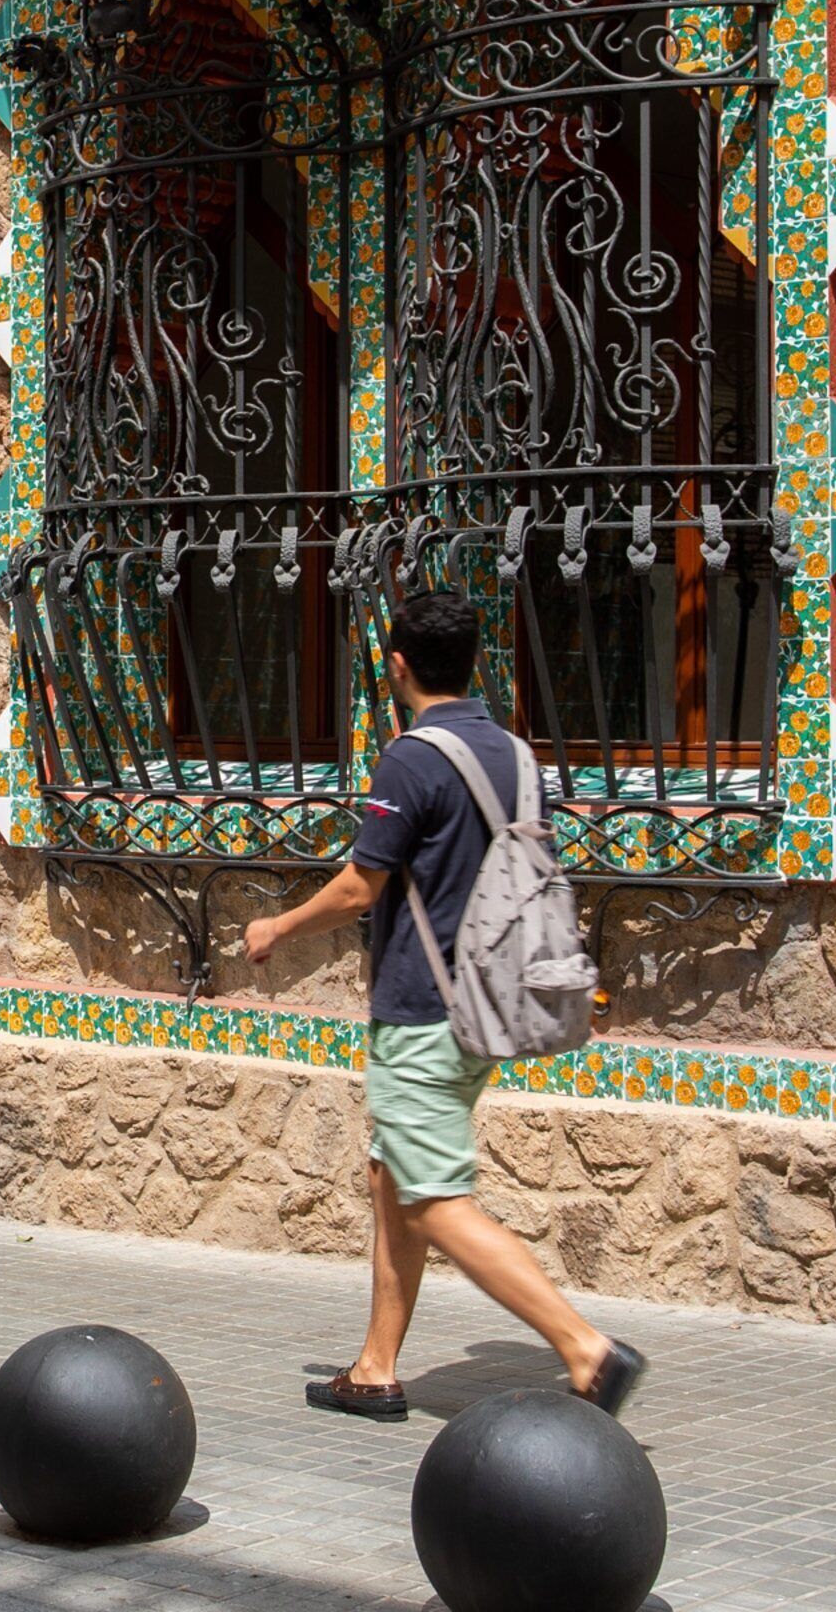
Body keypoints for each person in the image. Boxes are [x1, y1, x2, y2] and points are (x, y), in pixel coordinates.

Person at [240, 591, 642, 1424]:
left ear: (398, 665)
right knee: (393, 1172)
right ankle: (375, 1369)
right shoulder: (517, 757)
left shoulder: (412, 760)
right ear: (473, 661)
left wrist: (276, 926)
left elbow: (360, 887)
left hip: (423, 1012)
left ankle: (584, 1349)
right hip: (490, 1007)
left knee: (431, 1198)